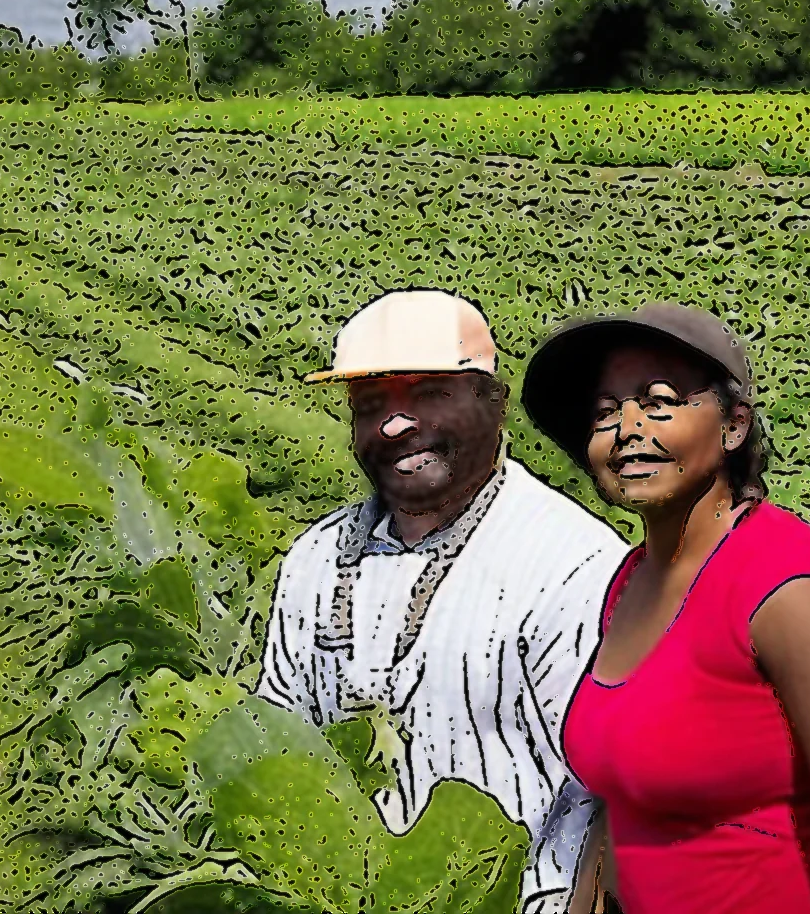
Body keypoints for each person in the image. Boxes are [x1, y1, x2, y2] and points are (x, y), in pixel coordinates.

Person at [521, 302, 810, 914]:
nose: (628, 427)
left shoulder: (785, 587)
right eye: (605, 412)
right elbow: (623, 802)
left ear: (733, 425)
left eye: (659, 401)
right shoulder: (629, 583)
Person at [256, 289, 630, 914]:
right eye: (371, 405)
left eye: (429, 395)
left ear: (493, 404)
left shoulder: (573, 568)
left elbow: (619, 795)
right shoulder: (315, 561)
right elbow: (280, 739)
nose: (396, 425)